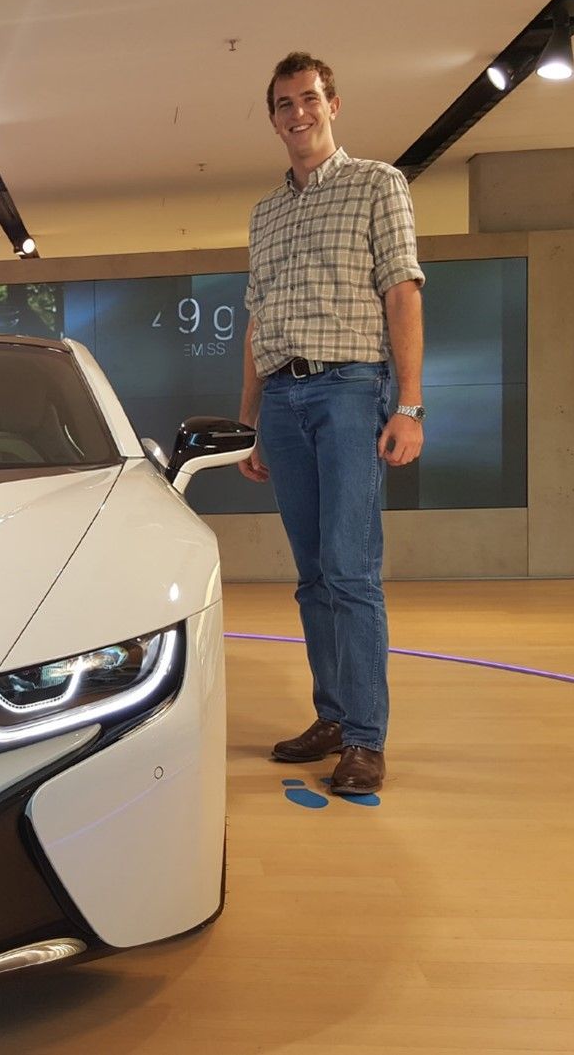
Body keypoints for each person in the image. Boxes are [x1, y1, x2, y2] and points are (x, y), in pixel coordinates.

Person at [238, 51, 425, 795]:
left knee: (350, 571)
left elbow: (402, 291)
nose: (297, 113)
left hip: (352, 389)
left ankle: (364, 738)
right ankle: (331, 715)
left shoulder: (378, 184)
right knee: (312, 577)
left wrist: (407, 404)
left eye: (308, 99)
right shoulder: (265, 212)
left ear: (332, 104)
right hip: (282, 401)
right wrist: (251, 420)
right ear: (274, 117)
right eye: (283, 103)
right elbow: (256, 324)